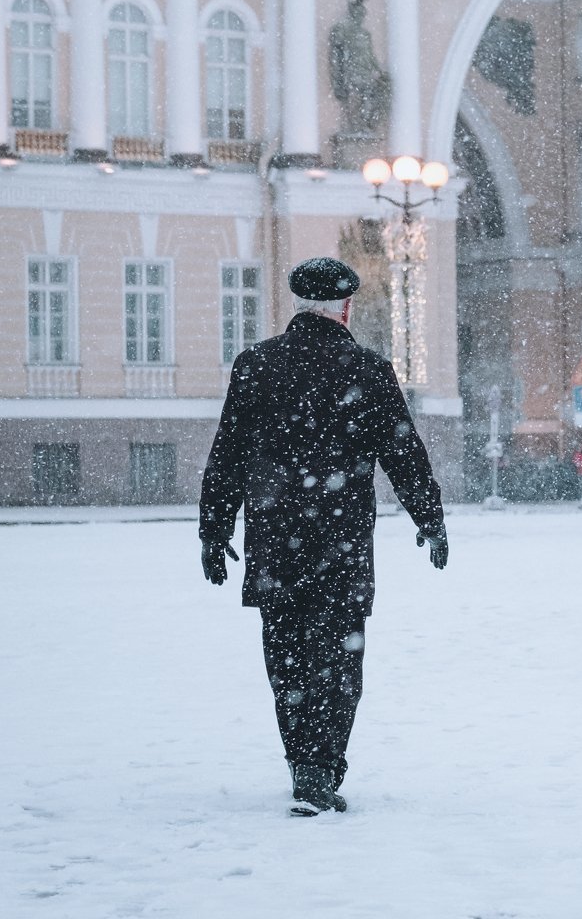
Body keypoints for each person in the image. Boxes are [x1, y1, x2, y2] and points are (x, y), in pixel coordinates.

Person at [199, 256, 448, 816]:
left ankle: (302, 763)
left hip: (274, 539)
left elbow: (227, 456)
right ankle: (322, 766)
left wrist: (214, 532)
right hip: (341, 542)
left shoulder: (254, 365)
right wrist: (429, 518)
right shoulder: (367, 370)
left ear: (298, 303)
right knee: (337, 658)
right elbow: (404, 454)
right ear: (346, 306)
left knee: (285, 656)